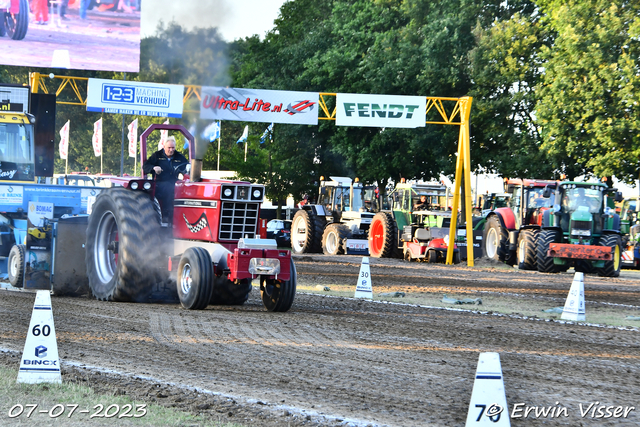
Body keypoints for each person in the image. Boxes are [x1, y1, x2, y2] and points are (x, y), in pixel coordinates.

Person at [143, 136, 189, 224]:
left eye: (173, 148)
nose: (171, 150)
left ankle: (185, 216)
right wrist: (153, 168)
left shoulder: (179, 157)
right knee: (169, 188)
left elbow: (186, 167)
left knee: (183, 188)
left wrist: (186, 171)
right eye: (169, 148)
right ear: (164, 147)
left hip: (174, 182)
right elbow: (145, 166)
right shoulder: (157, 156)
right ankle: (168, 216)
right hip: (159, 183)